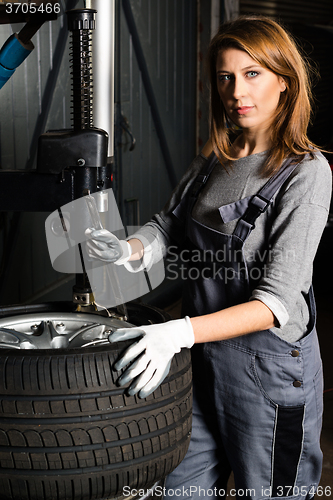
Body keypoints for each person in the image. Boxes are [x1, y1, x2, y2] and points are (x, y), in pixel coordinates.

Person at [86, 15, 332, 500]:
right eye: (225, 77)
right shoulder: (218, 153)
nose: (237, 90)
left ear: (284, 81)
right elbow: (169, 225)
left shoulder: (306, 173)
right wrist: (128, 248)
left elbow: (275, 303)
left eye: (252, 73)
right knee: (182, 488)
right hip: (202, 361)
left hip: (269, 371)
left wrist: (175, 332)